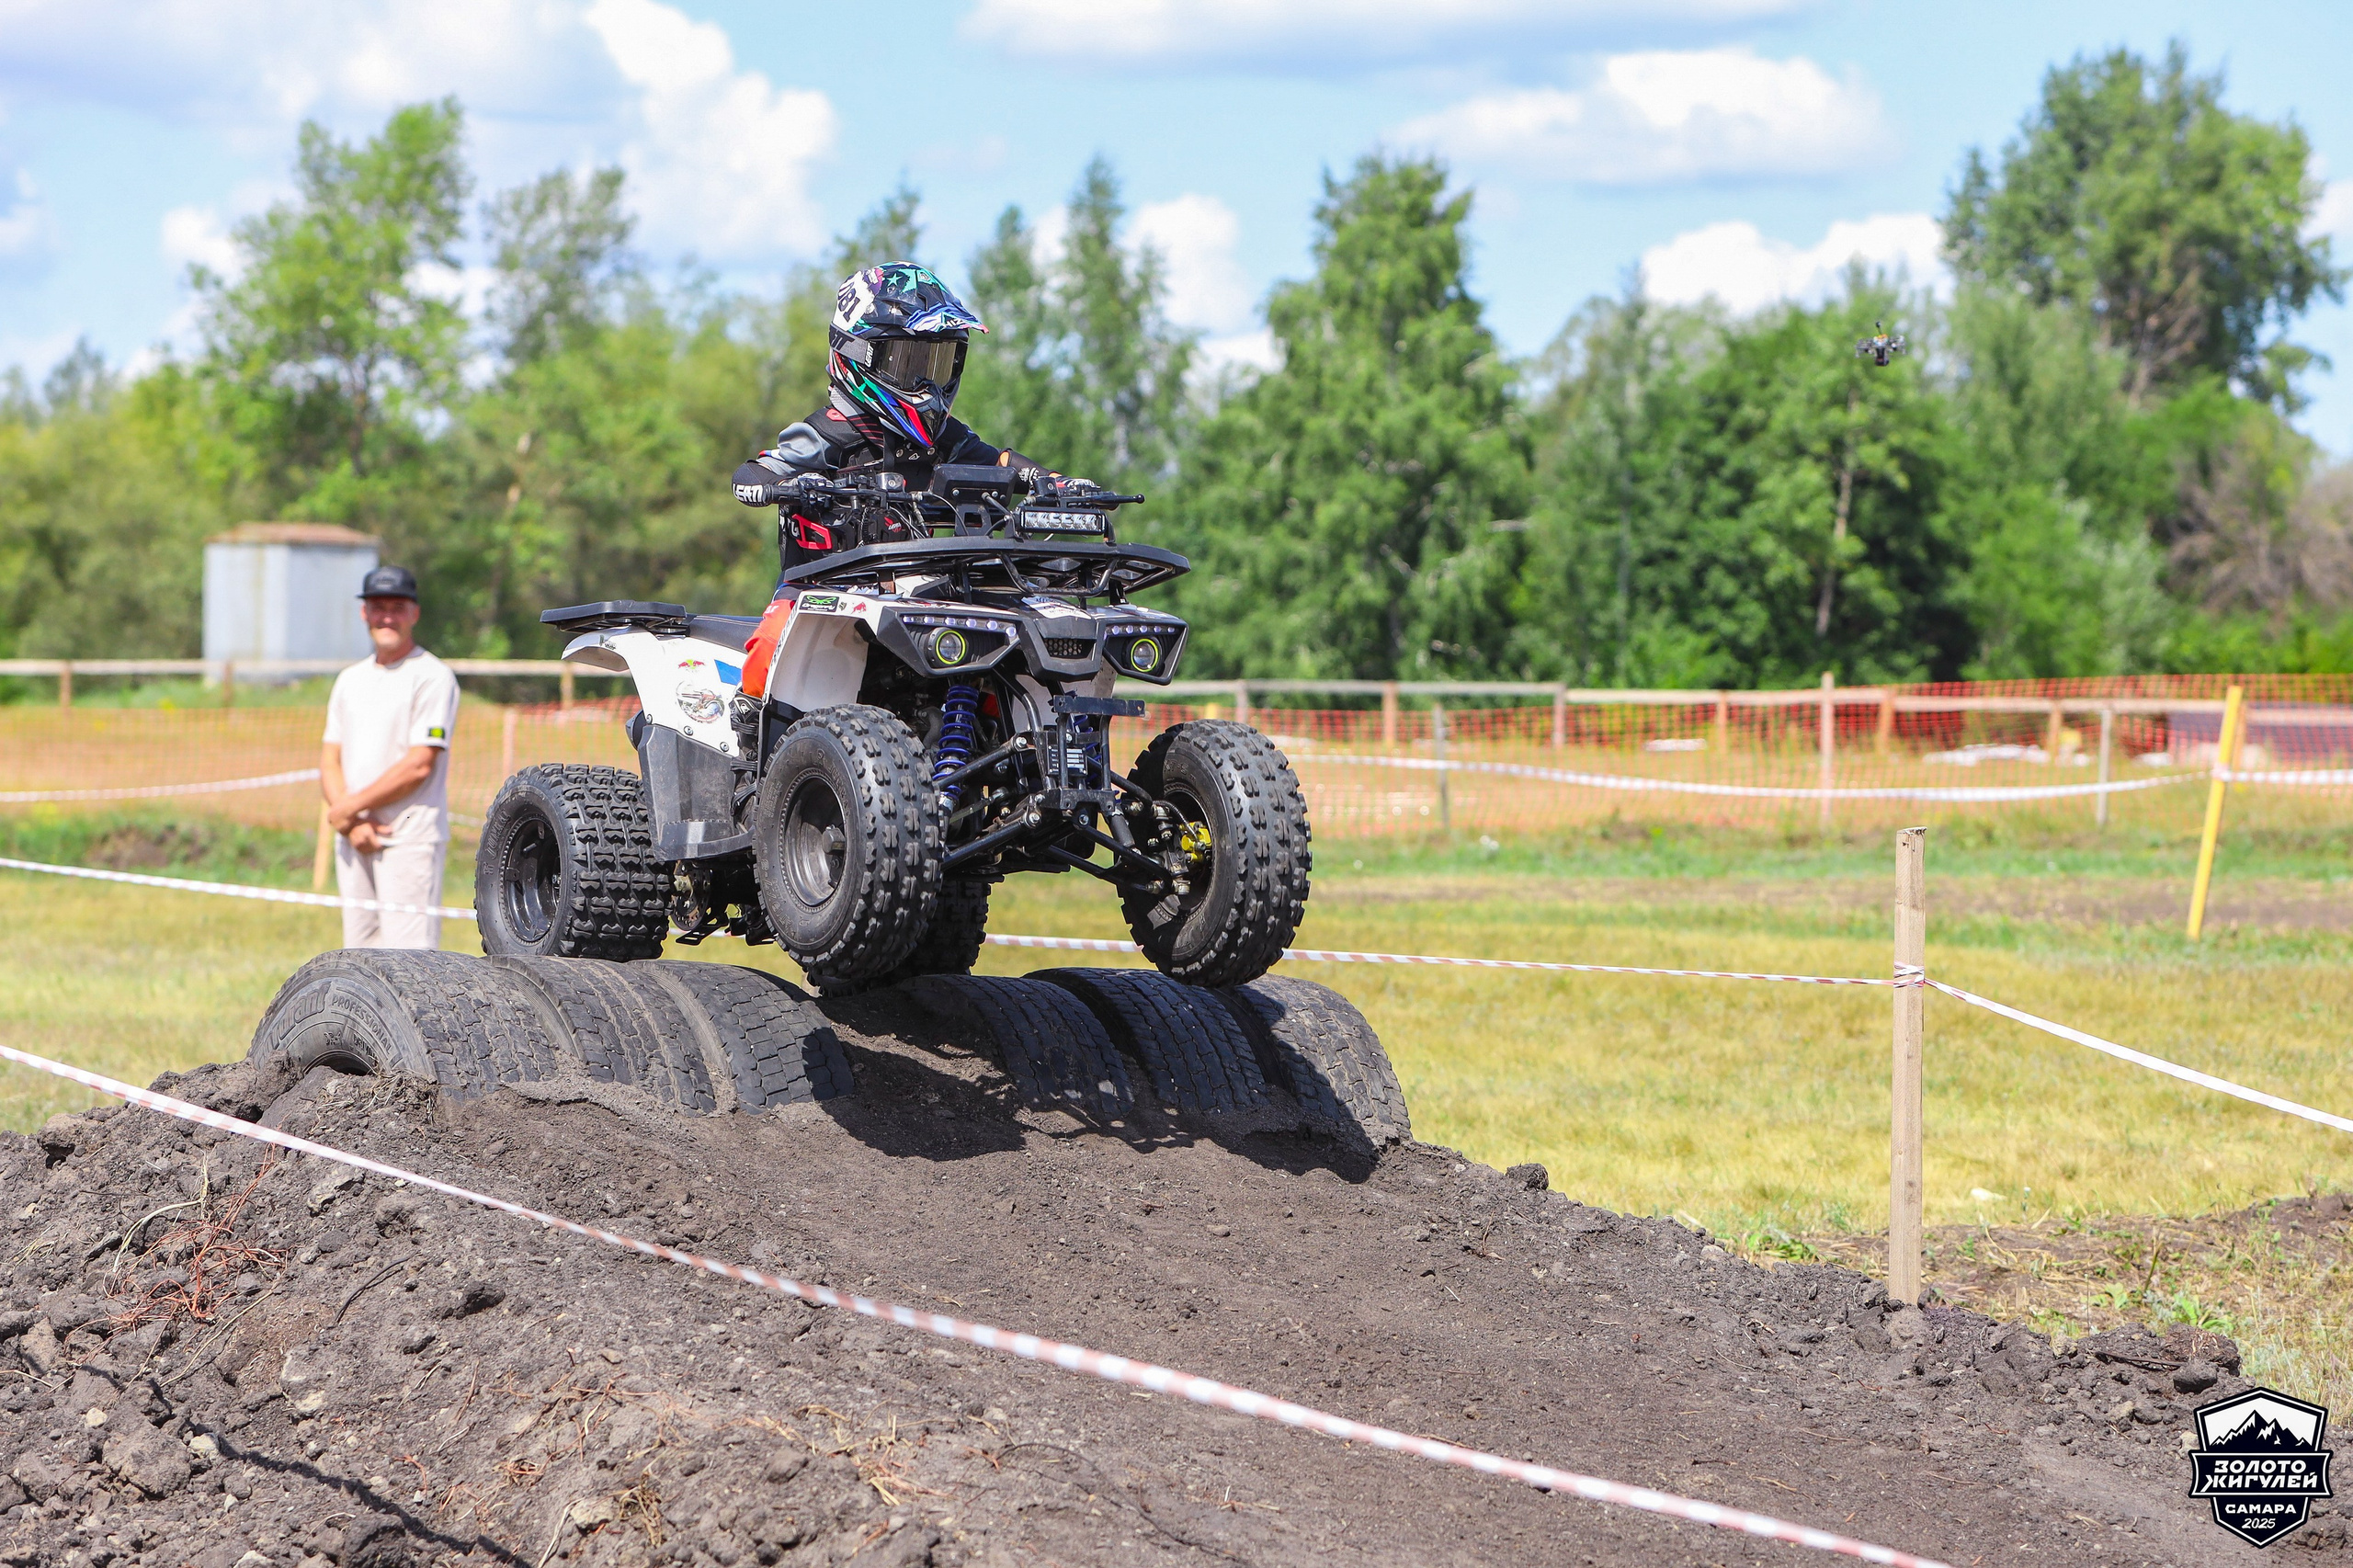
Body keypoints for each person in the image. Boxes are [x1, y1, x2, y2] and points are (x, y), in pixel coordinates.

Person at [728, 262, 1074, 693]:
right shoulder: (829, 432)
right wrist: (777, 485)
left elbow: (998, 463)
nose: (928, 381)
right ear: (856, 353)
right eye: (910, 361)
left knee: (1009, 642)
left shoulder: (945, 438)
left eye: (940, 360)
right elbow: (757, 469)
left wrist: (1058, 483)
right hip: (823, 597)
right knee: (774, 641)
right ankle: (753, 733)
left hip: (921, 593)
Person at [320, 565, 460, 949]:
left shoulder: (432, 677)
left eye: (397, 607)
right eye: (377, 607)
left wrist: (346, 811)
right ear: (364, 613)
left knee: (411, 963)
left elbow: (419, 764)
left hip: (407, 840)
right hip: (354, 837)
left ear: (414, 613)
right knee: (358, 958)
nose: (386, 616)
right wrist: (351, 823)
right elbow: (330, 757)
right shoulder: (349, 679)